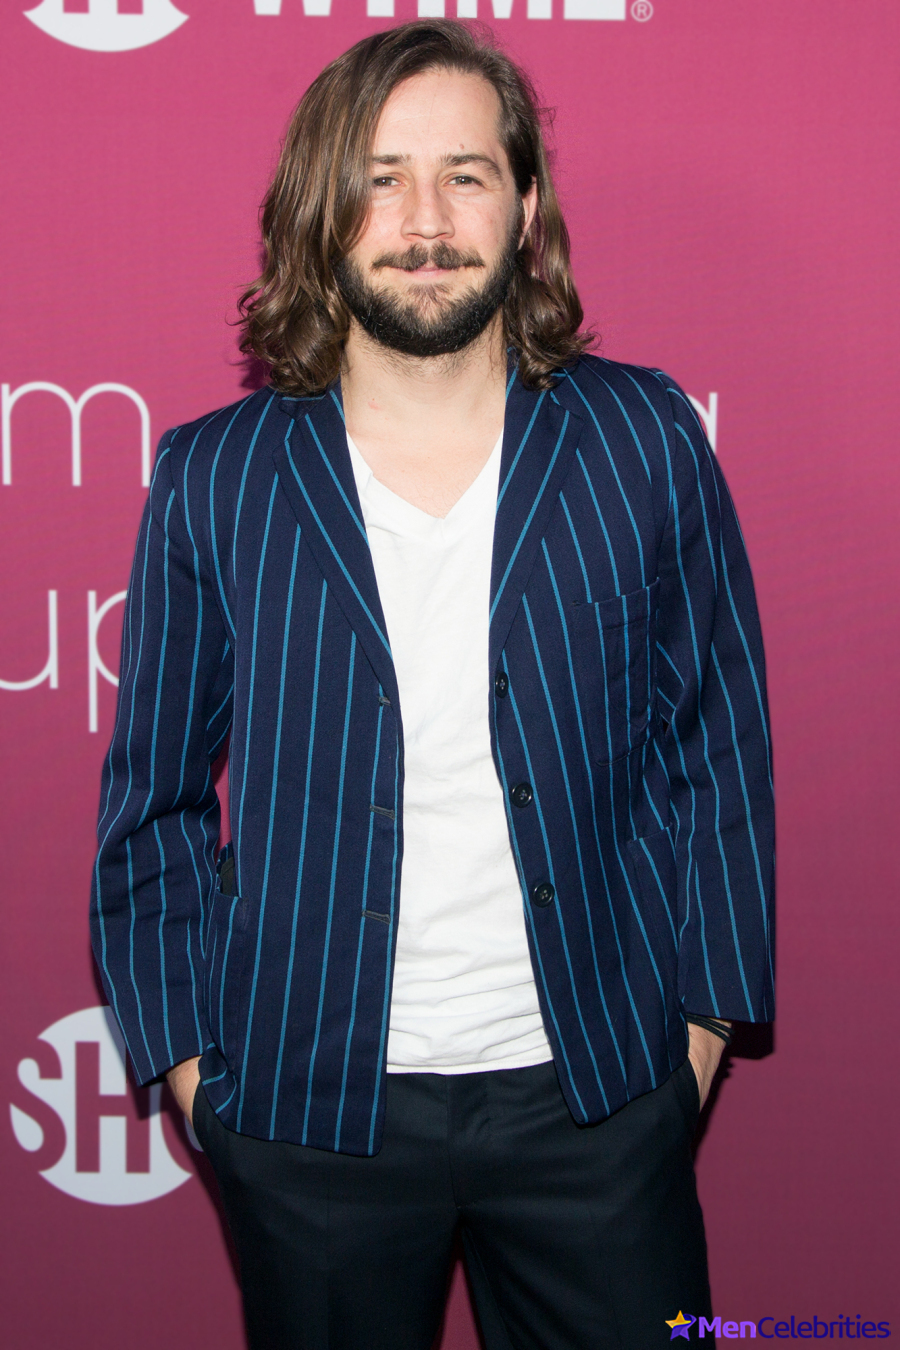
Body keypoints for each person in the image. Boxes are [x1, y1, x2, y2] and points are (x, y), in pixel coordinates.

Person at [90, 19, 774, 1350]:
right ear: (320, 210)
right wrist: (194, 1076)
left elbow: (716, 750)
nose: (424, 221)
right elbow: (153, 803)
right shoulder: (215, 476)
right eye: (381, 178)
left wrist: (697, 1034)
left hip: (599, 1090)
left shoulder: (644, 438)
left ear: (526, 205)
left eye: (466, 174)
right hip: (309, 1109)